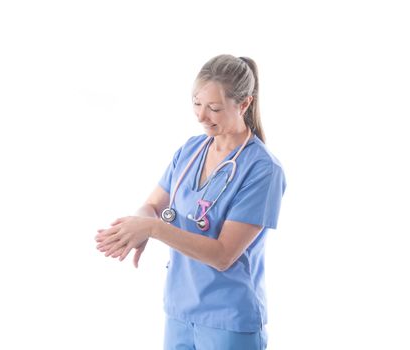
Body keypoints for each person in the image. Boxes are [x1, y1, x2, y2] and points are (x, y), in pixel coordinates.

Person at [95, 54, 286, 350]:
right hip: (179, 313)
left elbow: (223, 254)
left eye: (214, 108)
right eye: (196, 104)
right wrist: (137, 226)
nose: (201, 116)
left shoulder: (262, 170)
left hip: (229, 322)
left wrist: (152, 229)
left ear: (244, 104)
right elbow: (153, 206)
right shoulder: (190, 151)